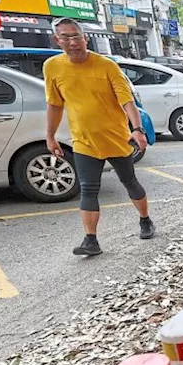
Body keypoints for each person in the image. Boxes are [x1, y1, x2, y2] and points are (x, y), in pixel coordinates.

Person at [44, 17, 152, 257]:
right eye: (66, 37)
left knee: (130, 182)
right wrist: (50, 136)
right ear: (56, 40)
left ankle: (145, 220)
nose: (72, 42)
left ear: (86, 37)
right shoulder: (52, 67)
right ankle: (91, 240)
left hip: (116, 138)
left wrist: (137, 129)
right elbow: (54, 104)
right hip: (83, 141)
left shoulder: (106, 65)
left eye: (76, 36)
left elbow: (126, 100)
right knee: (88, 189)